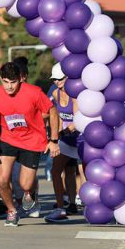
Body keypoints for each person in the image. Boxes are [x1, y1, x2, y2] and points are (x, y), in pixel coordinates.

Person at [0, 62, 60, 227]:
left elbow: (52, 111)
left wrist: (53, 140)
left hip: (32, 140)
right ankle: (11, 211)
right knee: (2, 180)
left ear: (20, 79)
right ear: (0, 80)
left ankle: (30, 192)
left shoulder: (34, 93)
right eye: (5, 82)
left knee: (25, 184)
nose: (9, 86)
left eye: (13, 82)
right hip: (7, 140)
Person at [45, 63, 80, 223]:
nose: (57, 82)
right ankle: (61, 206)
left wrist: (66, 130)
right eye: (54, 80)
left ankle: (76, 202)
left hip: (81, 138)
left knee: (78, 172)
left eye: (60, 79)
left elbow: (78, 119)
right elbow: (56, 116)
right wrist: (56, 135)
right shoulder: (55, 93)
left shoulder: (75, 94)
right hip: (65, 139)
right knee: (56, 171)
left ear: (68, 78)